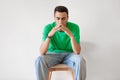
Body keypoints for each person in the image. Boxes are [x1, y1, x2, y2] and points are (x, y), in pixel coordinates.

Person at [35, 6, 86, 80]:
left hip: (69, 55)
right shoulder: (48, 28)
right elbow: (42, 52)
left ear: (67, 18)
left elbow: (77, 52)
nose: (60, 22)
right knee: (39, 60)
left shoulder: (75, 27)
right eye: (58, 18)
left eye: (63, 18)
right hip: (52, 55)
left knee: (80, 60)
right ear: (54, 18)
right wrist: (49, 35)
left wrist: (71, 35)